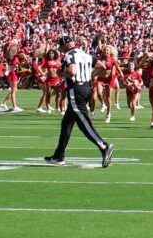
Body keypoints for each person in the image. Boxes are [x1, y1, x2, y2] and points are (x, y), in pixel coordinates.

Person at [44, 36, 114, 168]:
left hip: (76, 90)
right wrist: (89, 76)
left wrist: (61, 73)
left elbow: (72, 71)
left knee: (83, 123)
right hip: (86, 87)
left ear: (65, 45)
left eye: (61, 47)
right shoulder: (85, 54)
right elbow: (102, 66)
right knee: (66, 123)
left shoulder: (70, 55)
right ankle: (59, 156)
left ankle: (104, 146)